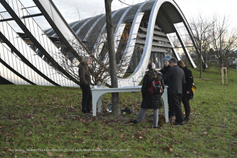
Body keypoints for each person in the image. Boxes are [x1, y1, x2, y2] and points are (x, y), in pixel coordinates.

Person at [130, 62, 164, 128]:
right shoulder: (159, 75)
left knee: (144, 107)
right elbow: (162, 86)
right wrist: (160, 94)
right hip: (157, 95)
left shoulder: (147, 76)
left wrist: (144, 94)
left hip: (148, 95)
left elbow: (144, 87)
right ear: (155, 68)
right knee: (156, 109)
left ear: (148, 68)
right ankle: (155, 125)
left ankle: (138, 120)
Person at [161, 58, 185, 125]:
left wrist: (159, 75)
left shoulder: (171, 69)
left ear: (171, 63)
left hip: (173, 90)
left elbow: (164, 77)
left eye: (169, 63)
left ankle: (180, 121)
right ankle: (179, 119)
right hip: (180, 90)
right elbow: (183, 81)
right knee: (178, 105)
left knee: (176, 106)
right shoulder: (181, 70)